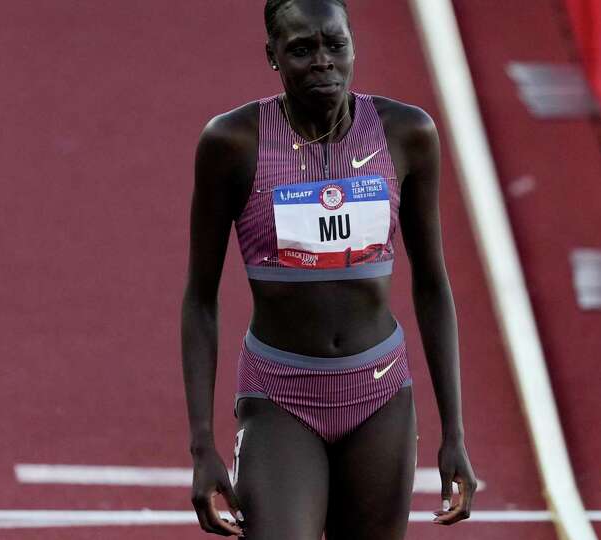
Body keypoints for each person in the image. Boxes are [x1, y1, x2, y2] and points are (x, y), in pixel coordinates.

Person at [180, 0, 476, 537]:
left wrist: (454, 432)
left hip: (379, 390)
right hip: (280, 395)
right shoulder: (233, 143)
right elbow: (200, 299)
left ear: (352, 45)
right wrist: (202, 445)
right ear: (272, 55)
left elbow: (433, 284)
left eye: (335, 45)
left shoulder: (407, 134)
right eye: (301, 49)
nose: (323, 62)